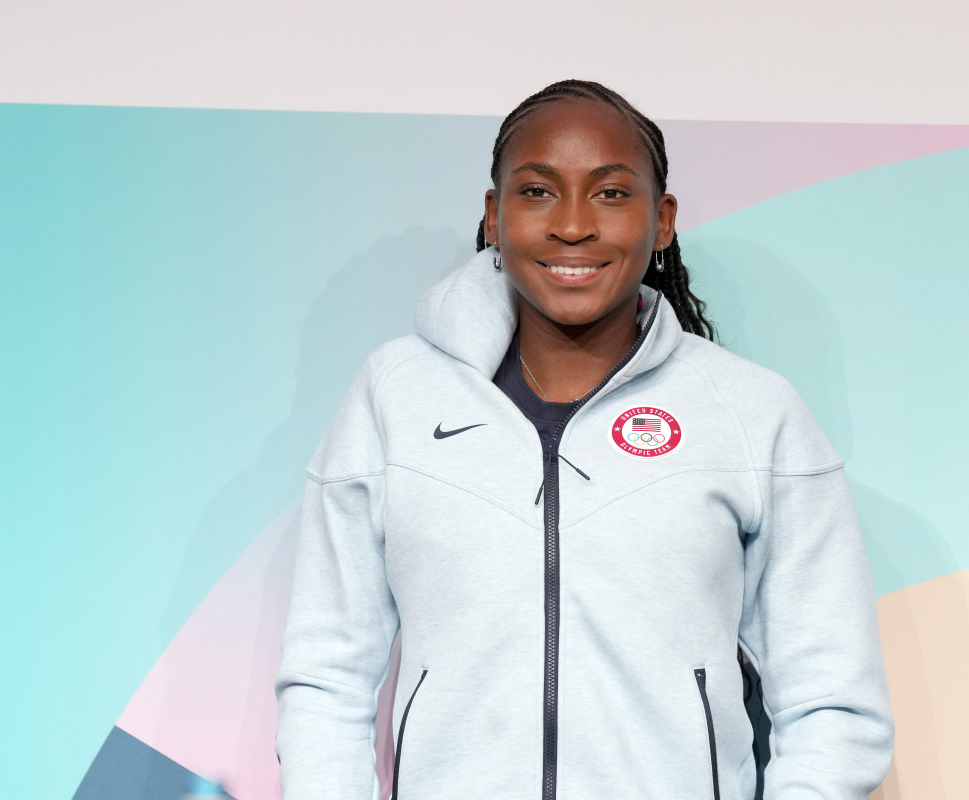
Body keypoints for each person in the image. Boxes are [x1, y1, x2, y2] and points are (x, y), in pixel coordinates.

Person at [274, 79, 894, 800]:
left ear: (662, 221)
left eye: (610, 193)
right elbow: (326, 679)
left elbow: (833, 700)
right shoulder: (395, 398)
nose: (573, 225)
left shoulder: (754, 415)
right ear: (493, 216)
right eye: (537, 192)